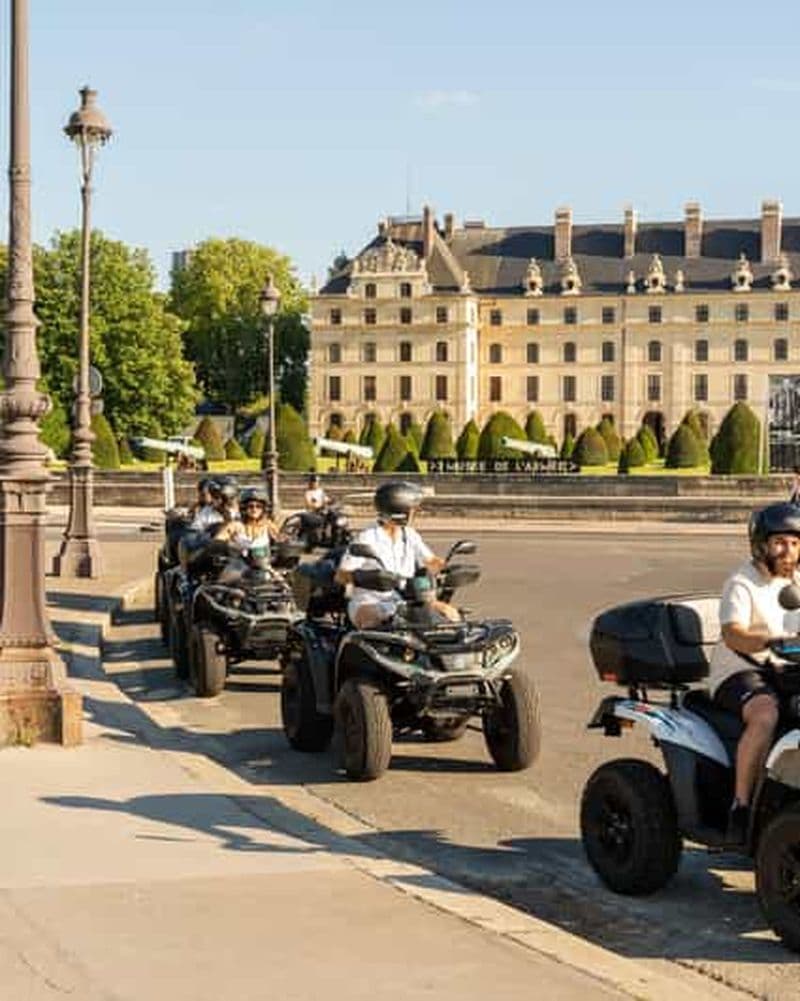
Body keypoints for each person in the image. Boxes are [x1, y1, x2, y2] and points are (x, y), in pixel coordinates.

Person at [709, 501, 800, 844]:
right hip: (738, 670)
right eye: (780, 542)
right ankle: (742, 806)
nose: (787, 550)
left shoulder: (797, 581)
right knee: (765, 715)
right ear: (761, 544)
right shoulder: (741, 583)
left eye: (794, 543)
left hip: (783, 669)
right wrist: (770, 640)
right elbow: (734, 634)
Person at [335, 480, 460, 629]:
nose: (416, 513)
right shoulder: (367, 537)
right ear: (400, 512)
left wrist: (449, 570)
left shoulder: (410, 535)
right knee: (373, 621)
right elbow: (340, 576)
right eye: (413, 509)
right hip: (370, 601)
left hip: (405, 601)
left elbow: (430, 561)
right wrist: (368, 578)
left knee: (450, 614)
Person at [214, 486, 281, 550]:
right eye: (250, 506)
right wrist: (227, 545)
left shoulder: (268, 525)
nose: (254, 509)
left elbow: (280, 539)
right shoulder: (235, 525)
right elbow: (219, 540)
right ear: (244, 508)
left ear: (264, 509)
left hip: (265, 561)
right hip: (238, 560)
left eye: (258, 506)